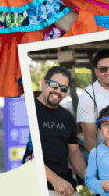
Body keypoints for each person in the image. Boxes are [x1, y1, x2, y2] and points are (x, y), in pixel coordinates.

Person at [35, 66, 86, 196]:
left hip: (66, 186)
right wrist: (54, 179)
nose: (58, 91)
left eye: (63, 89)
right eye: (54, 85)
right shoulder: (29, 109)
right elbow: (28, 156)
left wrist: (89, 176)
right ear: (43, 83)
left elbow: (74, 152)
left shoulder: (67, 116)